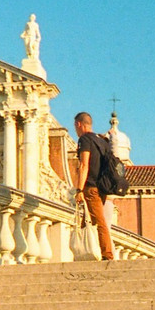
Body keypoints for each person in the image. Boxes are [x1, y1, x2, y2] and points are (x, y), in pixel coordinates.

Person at [69, 111, 115, 259]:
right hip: (103, 187)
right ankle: (83, 252)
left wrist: (79, 189)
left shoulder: (84, 140)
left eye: (75, 127)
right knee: (88, 219)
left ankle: (107, 254)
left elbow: (84, 165)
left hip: (91, 187)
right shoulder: (102, 140)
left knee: (99, 221)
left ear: (79, 124)